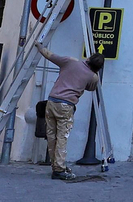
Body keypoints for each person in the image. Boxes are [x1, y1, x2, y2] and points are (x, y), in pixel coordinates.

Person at [34, 41, 102, 181]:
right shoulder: (93, 76)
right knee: (62, 137)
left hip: (52, 101)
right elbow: (91, 87)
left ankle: (55, 165)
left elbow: (50, 55)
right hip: (66, 106)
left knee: (51, 135)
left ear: (88, 59)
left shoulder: (70, 62)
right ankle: (59, 169)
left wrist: (39, 46)